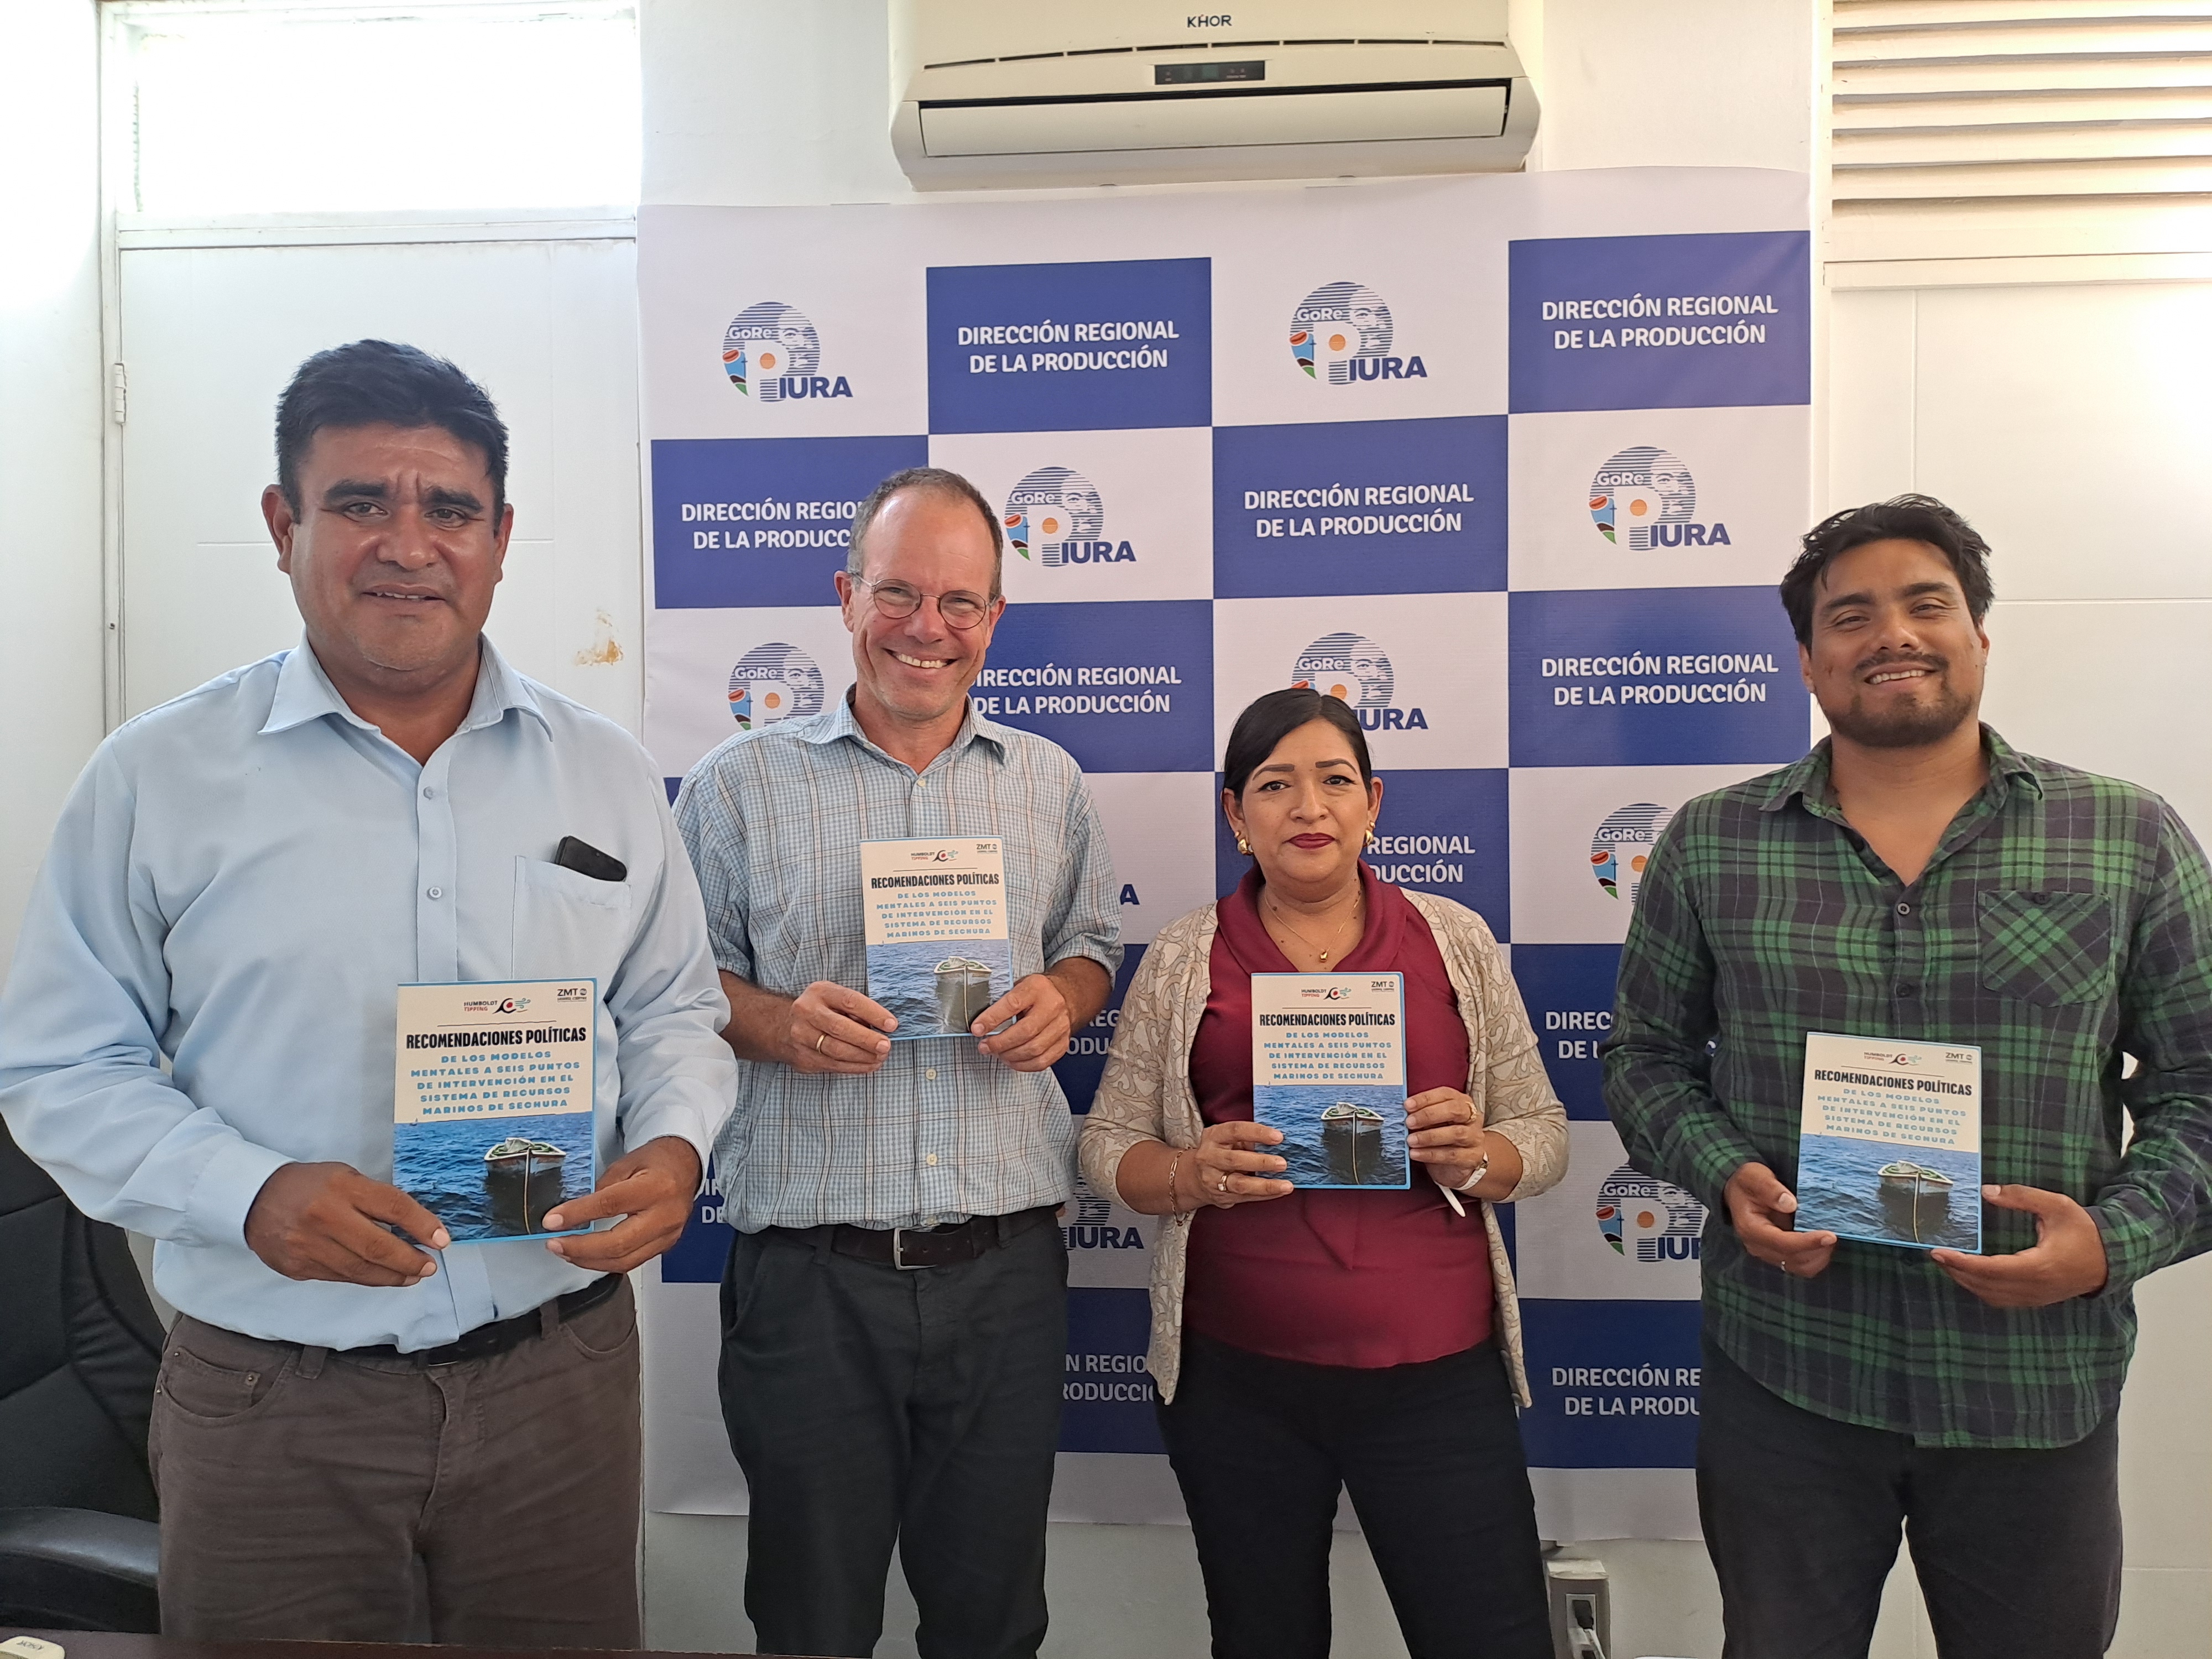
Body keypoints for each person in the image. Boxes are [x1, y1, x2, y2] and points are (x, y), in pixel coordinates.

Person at [0, 340, 738, 1645]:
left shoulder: (605, 771)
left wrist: (677, 1145)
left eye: (448, 508)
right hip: (274, 1407)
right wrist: (247, 1192)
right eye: (358, 503)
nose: (408, 544)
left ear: (498, 538)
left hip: (558, 1381)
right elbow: (60, 1065)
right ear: (282, 526)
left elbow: (673, 1006)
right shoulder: (156, 777)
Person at [1603, 494, 2212, 1659]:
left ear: (1978, 634)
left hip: (2032, 1386)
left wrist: (2110, 1243)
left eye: (1924, 604)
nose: (1890, 633)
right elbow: (1645, 1058)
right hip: (1786, 1373)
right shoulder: (1711, 842)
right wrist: (1722, 1171)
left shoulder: (2124, 837)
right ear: (1807, 661)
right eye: (1850, 616)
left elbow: (2202, 1086)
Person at [674, 465, 1121, 1659]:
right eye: (898, 593)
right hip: (812, 1280)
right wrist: (776, 1023)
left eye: (959, 602)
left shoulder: (1049, 783)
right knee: (812, 1626)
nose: (928, 628)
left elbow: (1090, 944)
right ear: (846, 596)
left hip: (1004, 1277)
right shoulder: (736, 787)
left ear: (994, 618)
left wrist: (1065, 999)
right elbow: (675, 988)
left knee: (992, 1626)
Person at [1078, 686, 1566, 1659]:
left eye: (1335, 781)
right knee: (1263, 1638)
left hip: (1437, 1375)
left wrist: (1482, 1154)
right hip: (1237, 1382)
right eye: (1275, 785)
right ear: (1236, 812)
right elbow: (1106, 1146)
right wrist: (1191, 1172)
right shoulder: (1183, 954)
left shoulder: (1453, 938)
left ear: (1373, 803)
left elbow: (1543, 1132)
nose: (1309, 808)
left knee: (1493, 1635)